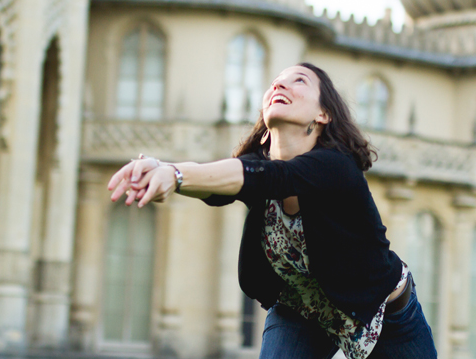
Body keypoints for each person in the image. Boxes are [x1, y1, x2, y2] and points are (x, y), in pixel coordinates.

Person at [108, 63, 437, 358]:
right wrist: (162, 169)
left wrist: (176, 175)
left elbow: (277, 178)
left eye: (299, 81)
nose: (280, 86)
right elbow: (220, 184)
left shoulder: (336, 168)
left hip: (386, 316)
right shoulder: (257, 169)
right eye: (275, 82)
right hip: (303, 311)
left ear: (322, 115)